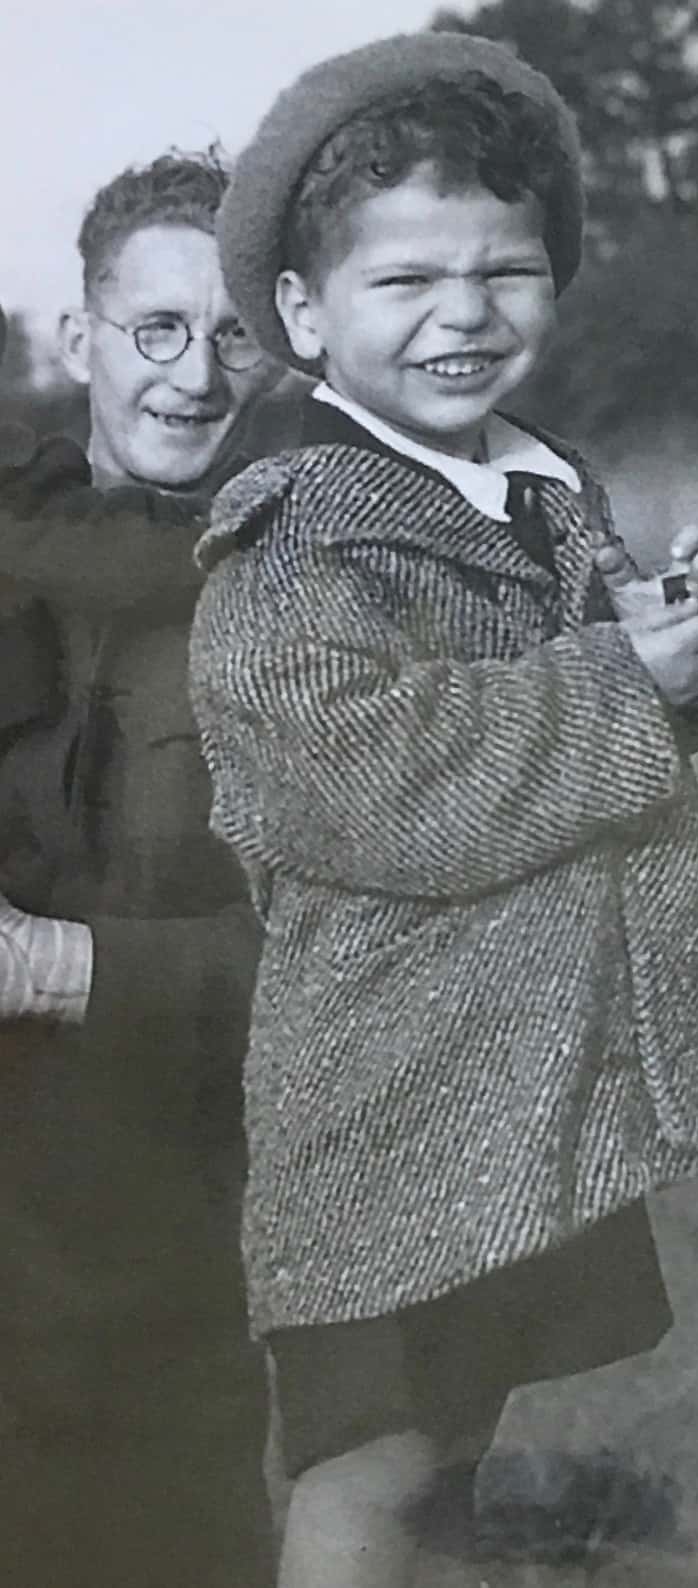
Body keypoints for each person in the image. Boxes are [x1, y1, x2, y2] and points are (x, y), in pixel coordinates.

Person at [188, 32, 698, 1588]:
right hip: (393, 1098)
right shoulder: (296, 548)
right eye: (405, 284)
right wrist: (633, 687)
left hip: (526, 1087)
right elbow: (379, 782)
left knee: (456, 1452)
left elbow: (610, 717)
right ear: (302, 315)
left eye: (508, 271)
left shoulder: (539, 490)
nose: (465, 317)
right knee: (370, 1464)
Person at [0, 151, 279, 1588]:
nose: (193, 374)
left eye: (232, 334)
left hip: (186, 1217)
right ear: (78, 339)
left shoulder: (321, 581)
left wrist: (68, 967)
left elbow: (362, 941)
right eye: (155, 330)